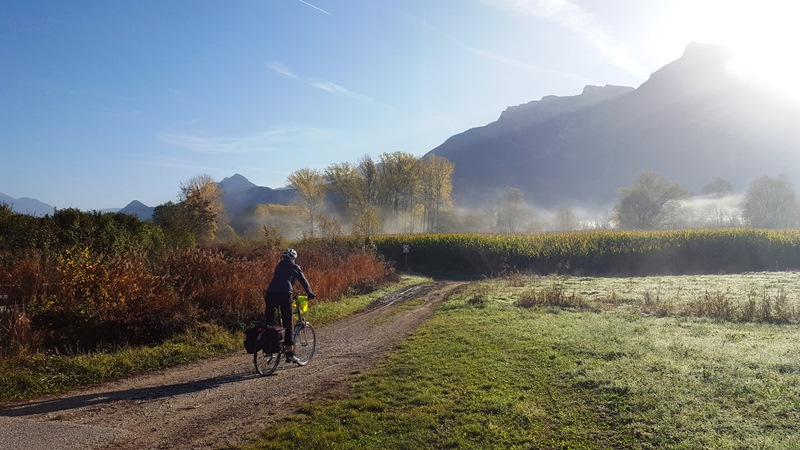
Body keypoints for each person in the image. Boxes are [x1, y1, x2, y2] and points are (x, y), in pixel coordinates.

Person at [264, 248, 315, 363]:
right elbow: (303, 281)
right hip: (284, 295)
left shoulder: (279, 266)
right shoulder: (294, 267)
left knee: (270, 323)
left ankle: (270, 349)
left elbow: (284, 280)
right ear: (294, 258)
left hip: (270, 294)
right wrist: (310, 293)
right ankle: (290, 354)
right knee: (288, 323)